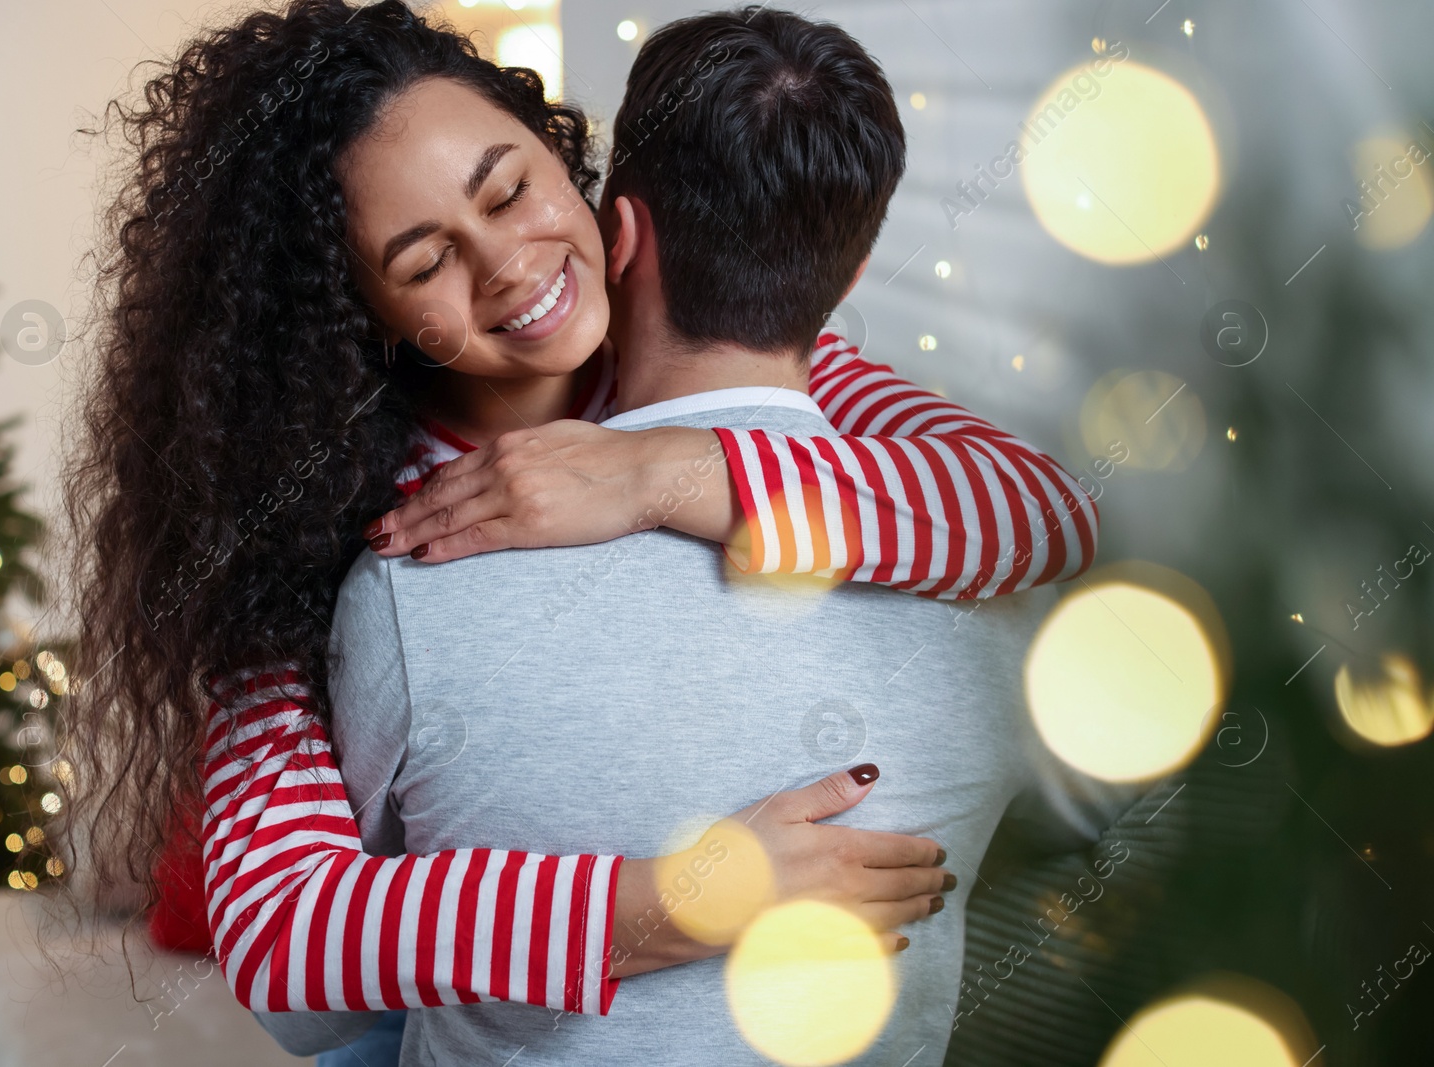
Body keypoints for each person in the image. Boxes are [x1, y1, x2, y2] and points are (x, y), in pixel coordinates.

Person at [62, 0, 1097, 1056]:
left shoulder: (770, 364)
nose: (508, 266)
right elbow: (284, 940)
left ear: (575, 171)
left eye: (509, 191)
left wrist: (655, 471)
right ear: (355, 311)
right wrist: (674, 903)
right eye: (426, 264)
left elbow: (1045, 510)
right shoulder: (305, 536)